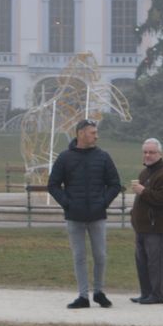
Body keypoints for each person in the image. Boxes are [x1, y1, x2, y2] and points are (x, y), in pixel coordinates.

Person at [47, 118, 122, 309]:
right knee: (79, 256)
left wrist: (103, 203)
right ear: (81, 133)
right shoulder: (65, 157)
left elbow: (115, 184)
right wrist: (67, 204)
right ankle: (83, 296)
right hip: (74, 216)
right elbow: (53, 185)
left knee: (100, 255)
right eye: (92, 133)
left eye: (96, 133)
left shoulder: (103, 157)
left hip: (97, 215)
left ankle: (99, 292)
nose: (96, 136)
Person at [129, 138, 163, 305]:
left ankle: (157, 295)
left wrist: (144, 191)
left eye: (151, 152)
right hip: (141, 227)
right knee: (142, 262)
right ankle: (145, 293)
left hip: (156, 227)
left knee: (155, 263)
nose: (147, 155)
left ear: (160, 154)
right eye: (145, 152)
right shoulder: (145, 172)